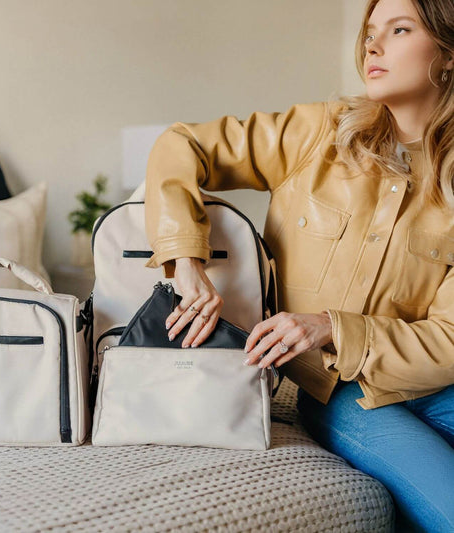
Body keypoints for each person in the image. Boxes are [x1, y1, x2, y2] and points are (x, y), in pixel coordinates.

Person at [144, 0, 454, 530]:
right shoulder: (317, 134)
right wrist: (184, 258)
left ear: (447, 55)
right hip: (340, 391)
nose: (372, 46)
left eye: (399, 30)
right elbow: (183, 143)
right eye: (370, 32)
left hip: (438, 385)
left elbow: (449, 340)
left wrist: (331, 326)